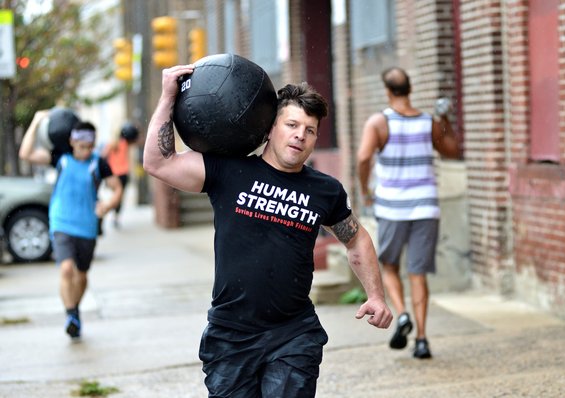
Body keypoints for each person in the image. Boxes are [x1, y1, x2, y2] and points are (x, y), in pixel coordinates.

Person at [143, 64, 393, 397]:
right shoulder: (228, 171)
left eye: (310, 130)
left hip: (293, 333)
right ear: (270, 127)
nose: (300, 135)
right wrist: (168, 97)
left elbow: (356, 237)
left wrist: (375, 294)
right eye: (291, 124)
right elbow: (158, 162)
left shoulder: (325, 190)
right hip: (231, 335)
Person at [357, 67, 460, 359]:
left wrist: (365, 190)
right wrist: (445, 121)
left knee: (389, 264)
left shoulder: (379, 122)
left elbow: (364, 157)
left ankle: (401, 315)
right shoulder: (428, 122)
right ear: (410, 88)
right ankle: (423, 339)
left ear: (388, 90)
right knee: (418, 273)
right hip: (426, 206)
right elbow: (452, 150)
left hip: (392, 206)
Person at [19, 113, 123, 339]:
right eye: (82, 146)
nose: (86, 150)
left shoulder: (98, 163)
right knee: (66, 269)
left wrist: (107, 205)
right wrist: (36, 121)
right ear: (72, 142)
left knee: (82, 275)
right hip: (61, 222)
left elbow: (117, 189)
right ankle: (71, 315)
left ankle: (75, 309)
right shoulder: (61, 159)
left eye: (89, 146)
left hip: (87, 227)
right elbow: (25, 153)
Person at [100, 122, 139, 229]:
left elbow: (103, 156)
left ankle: (112, 214)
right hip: (122, 174)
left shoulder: (113, 143)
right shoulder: (125, 143)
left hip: (114, 174)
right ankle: (114, 215)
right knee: (119, 197)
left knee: (116, 196)